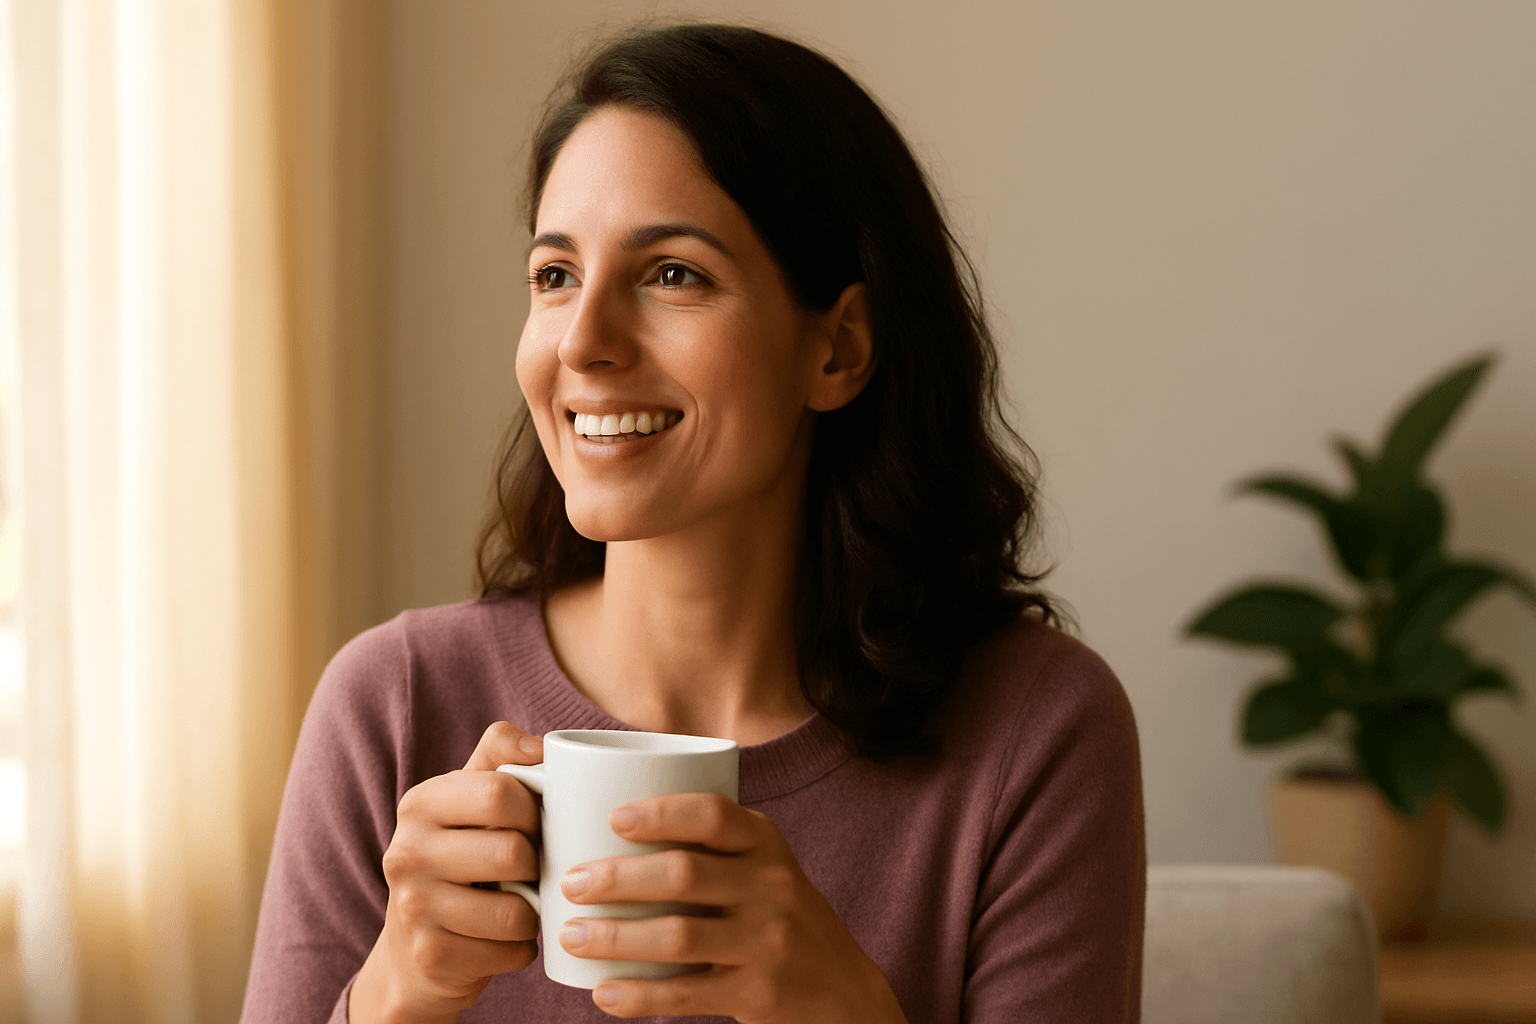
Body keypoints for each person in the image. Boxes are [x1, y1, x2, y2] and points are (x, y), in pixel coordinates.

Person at [240, 22, 1145, 1024]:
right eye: (555, 276)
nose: (583, 342)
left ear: (838, 347)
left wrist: (844, 1009)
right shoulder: (395, 704)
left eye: (673, 273)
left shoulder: (1035, 733)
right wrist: (393, 993)